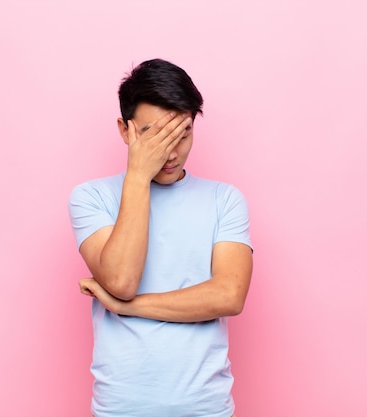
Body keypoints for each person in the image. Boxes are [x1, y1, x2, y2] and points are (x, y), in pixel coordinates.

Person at [68, 58, 253, 417]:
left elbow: (229, 295)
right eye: (155, 135)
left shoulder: (224, 199)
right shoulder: (91, 197)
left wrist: (127, 307)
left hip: (206, 407)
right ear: (126, 131)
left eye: (182, 133)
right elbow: (121, 280)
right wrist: (137, 176)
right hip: (121, 408)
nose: (171, 151)